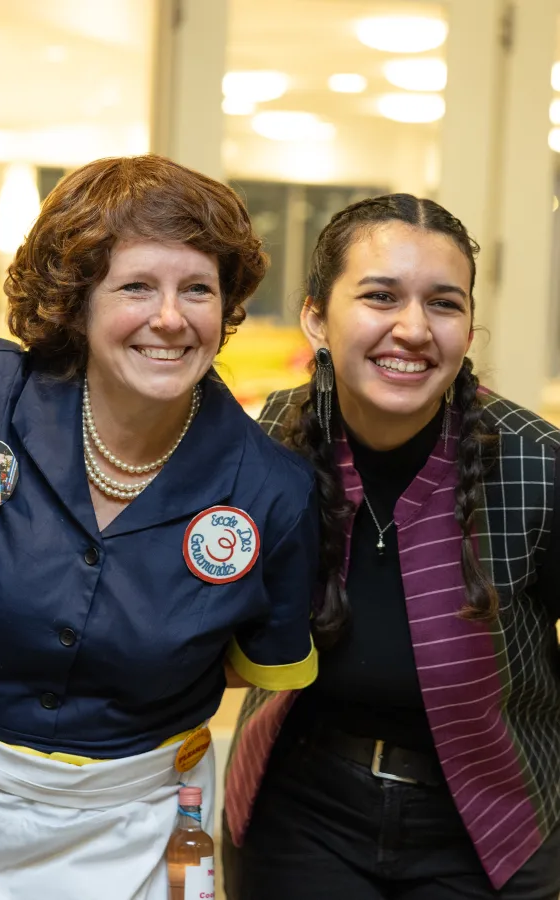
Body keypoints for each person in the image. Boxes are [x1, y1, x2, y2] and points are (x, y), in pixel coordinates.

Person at [0, 154, 320, 900]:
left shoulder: (272, 491)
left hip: (138, 824)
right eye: (136, 286)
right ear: (77, 299)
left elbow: (250, 666)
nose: (170, 317)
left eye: (197, 288)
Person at [223, 194, 560, 899]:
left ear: (469, 327)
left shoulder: (538, 462)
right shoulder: (274, 430)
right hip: (301, 811)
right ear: (316, 315)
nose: (413, 329)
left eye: (444, 304)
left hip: (486, 823)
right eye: (381, 297)